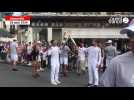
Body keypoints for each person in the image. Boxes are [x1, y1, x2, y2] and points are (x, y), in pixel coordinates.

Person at [99, 20, 134, 87]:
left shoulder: (107, 49)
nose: (132, 39)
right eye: (130, 35)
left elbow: (104, 54)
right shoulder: (117, 62)